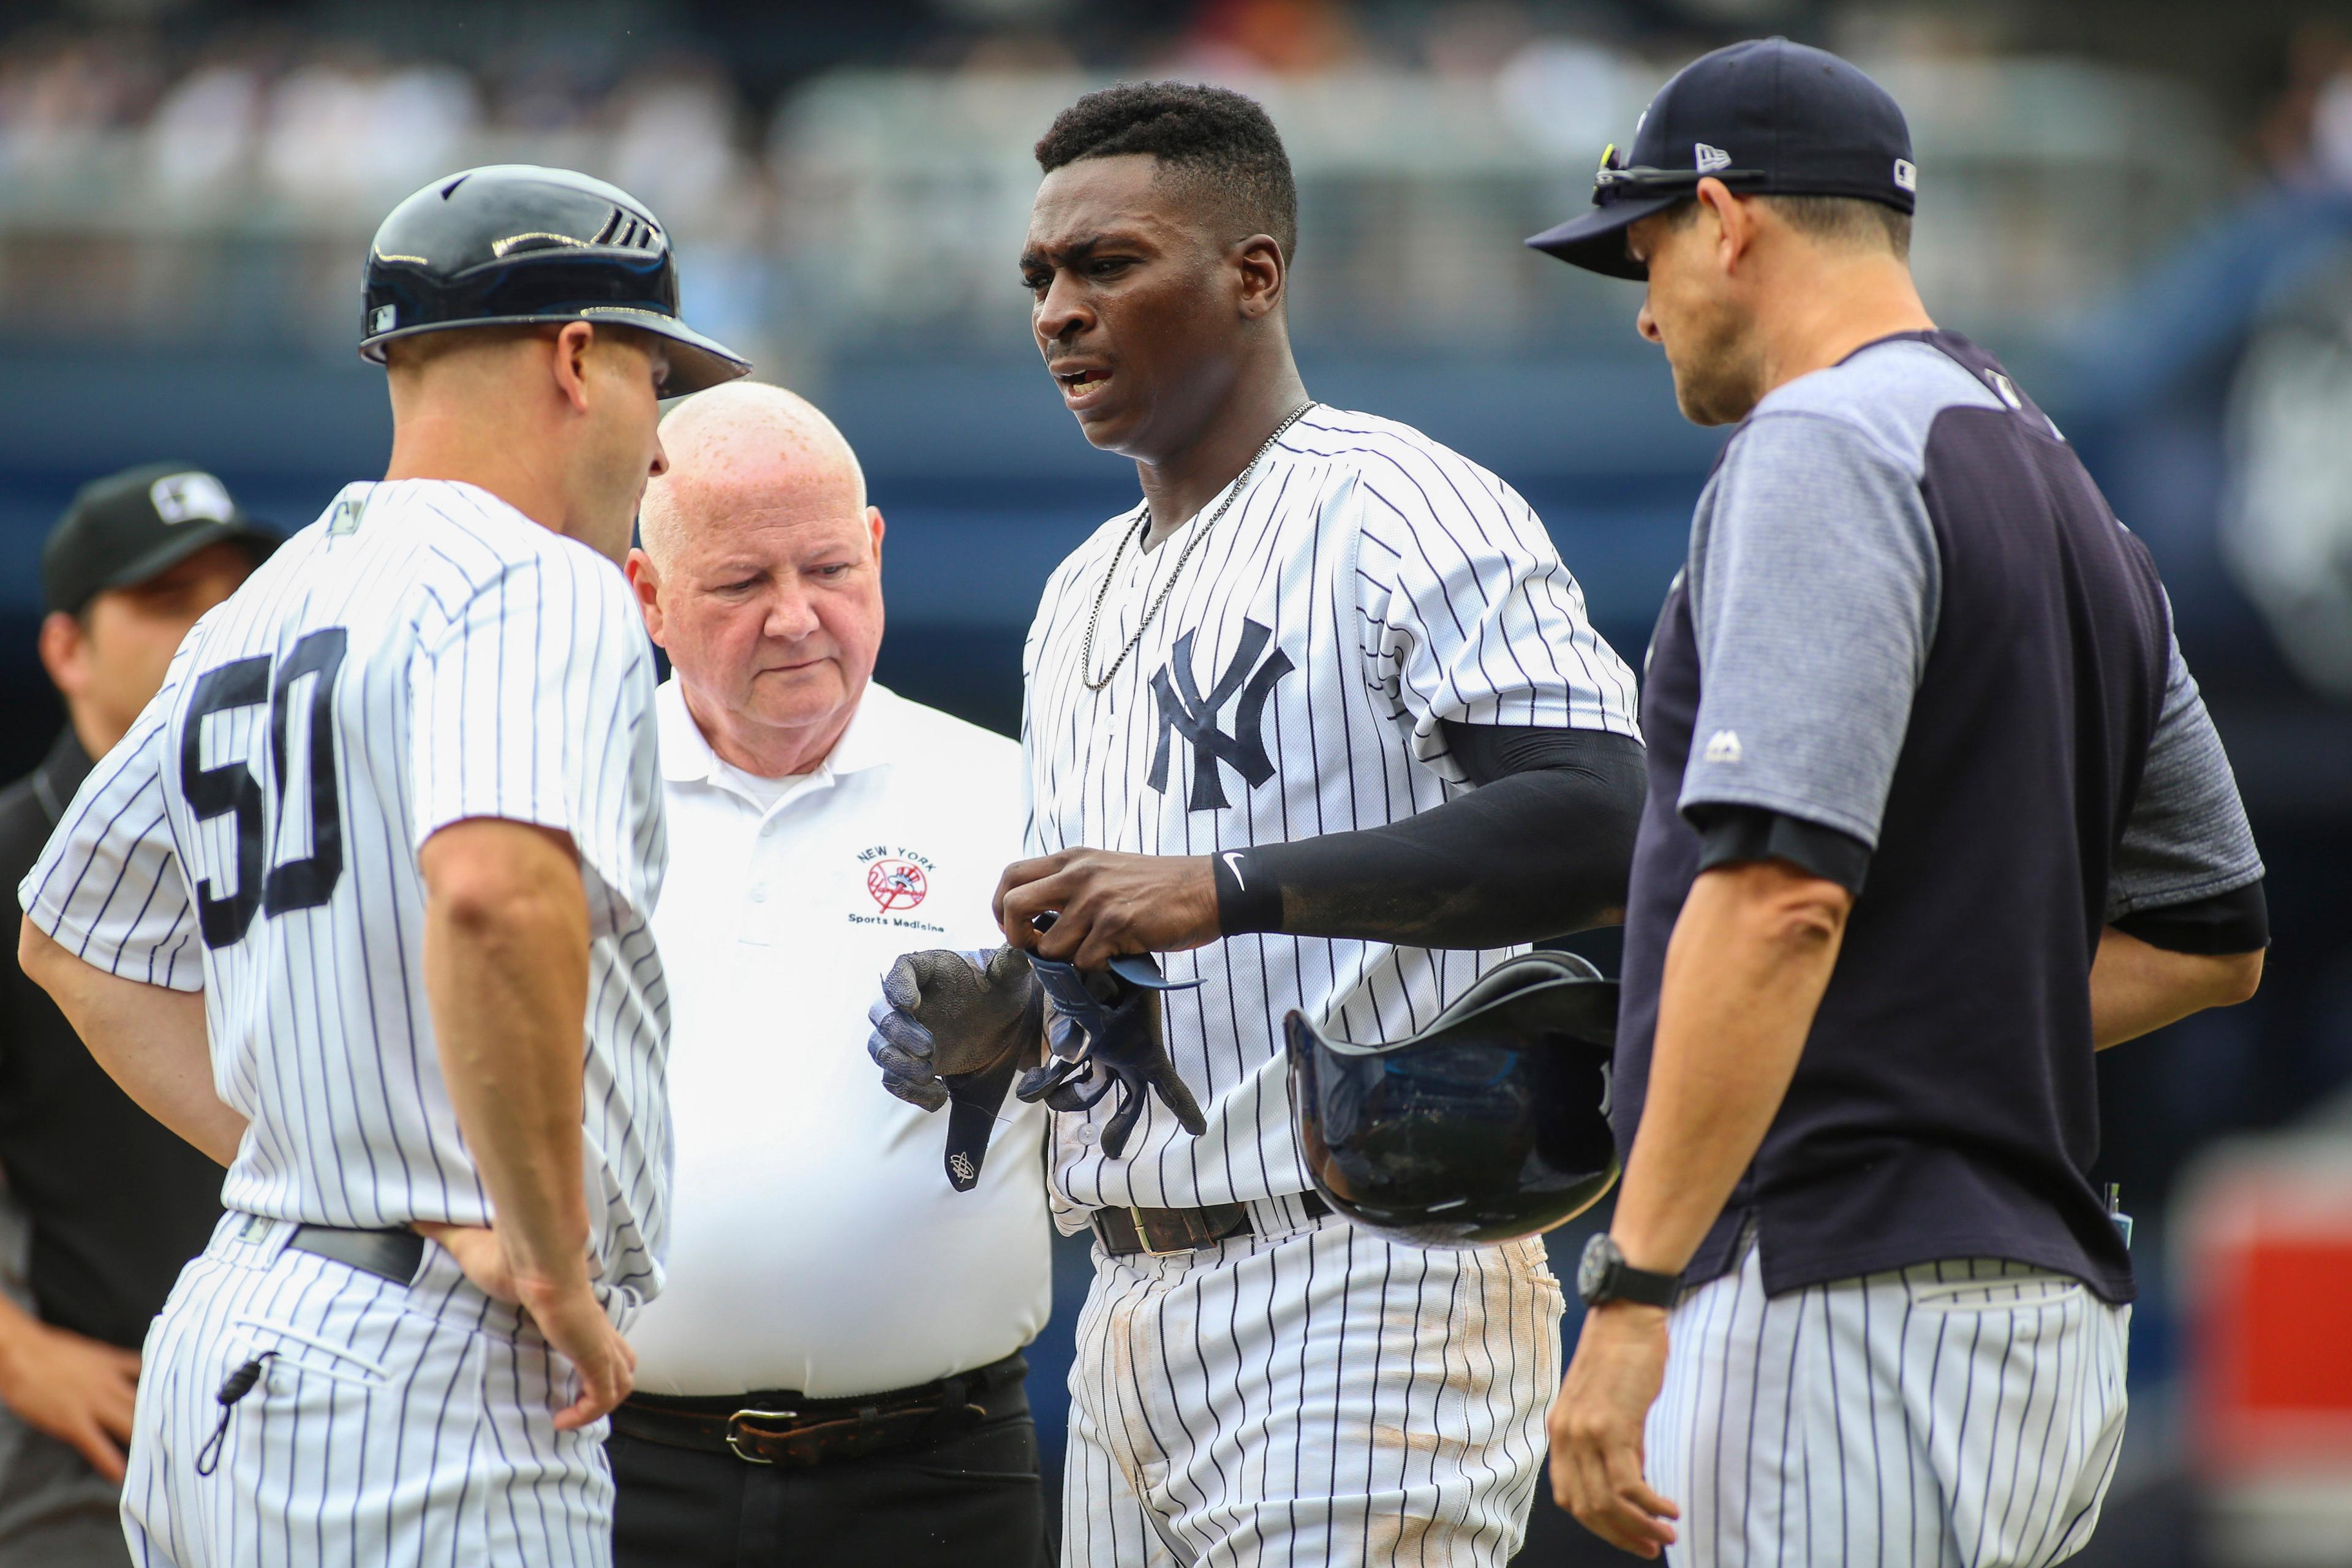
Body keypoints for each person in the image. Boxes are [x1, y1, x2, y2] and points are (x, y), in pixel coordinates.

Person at [869, 83, 1647, 1566]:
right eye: (1041, 276)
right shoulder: (1077, 590)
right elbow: (1143, 938)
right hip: (1129, 1300)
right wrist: (1012, 1010)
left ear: (1255, 273)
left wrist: (1224, 887)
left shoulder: (1405, 507)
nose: (1059, 310)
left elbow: (1605, 818)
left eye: (1108, 264)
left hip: (1363, 1277)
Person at [1525, 40, 2269, 1566]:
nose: (1647, 303)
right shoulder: (2058, 477)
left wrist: (1635, 1282)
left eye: (1648, 250)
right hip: (2040, 1326)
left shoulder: (1820, 442)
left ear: (1729, 221)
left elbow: (1781, 895)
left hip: (1843, 1302)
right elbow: (2211, 928)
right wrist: (1921, 1025)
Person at [15, 164, 748, 1566]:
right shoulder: (538, 577)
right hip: (432, 1383)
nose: (661, 445)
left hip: (233, 1333)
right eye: (660, 379)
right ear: (579, 355)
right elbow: (491, 889)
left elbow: (73, 941)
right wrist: (538, 1248)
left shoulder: (265, 601)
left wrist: (355, 1170)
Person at [606, 380, 1050, 1566]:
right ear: (649, 596)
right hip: (604, 1472)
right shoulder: (556, 799)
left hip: (940, 1480)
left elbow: (1165, 1077)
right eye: (743, 584)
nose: (798, 619)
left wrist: (1045, 1025)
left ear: (878, 550)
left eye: (830, 571)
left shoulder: (1023, 795)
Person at [0, 464, 276, 1568]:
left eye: (232, 598)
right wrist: (21, 1360)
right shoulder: (13, 857)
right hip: (95, 1440)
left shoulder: (305, 840)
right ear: (66, 650)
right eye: (166, 603)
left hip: (313, 1406)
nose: (210, 630)